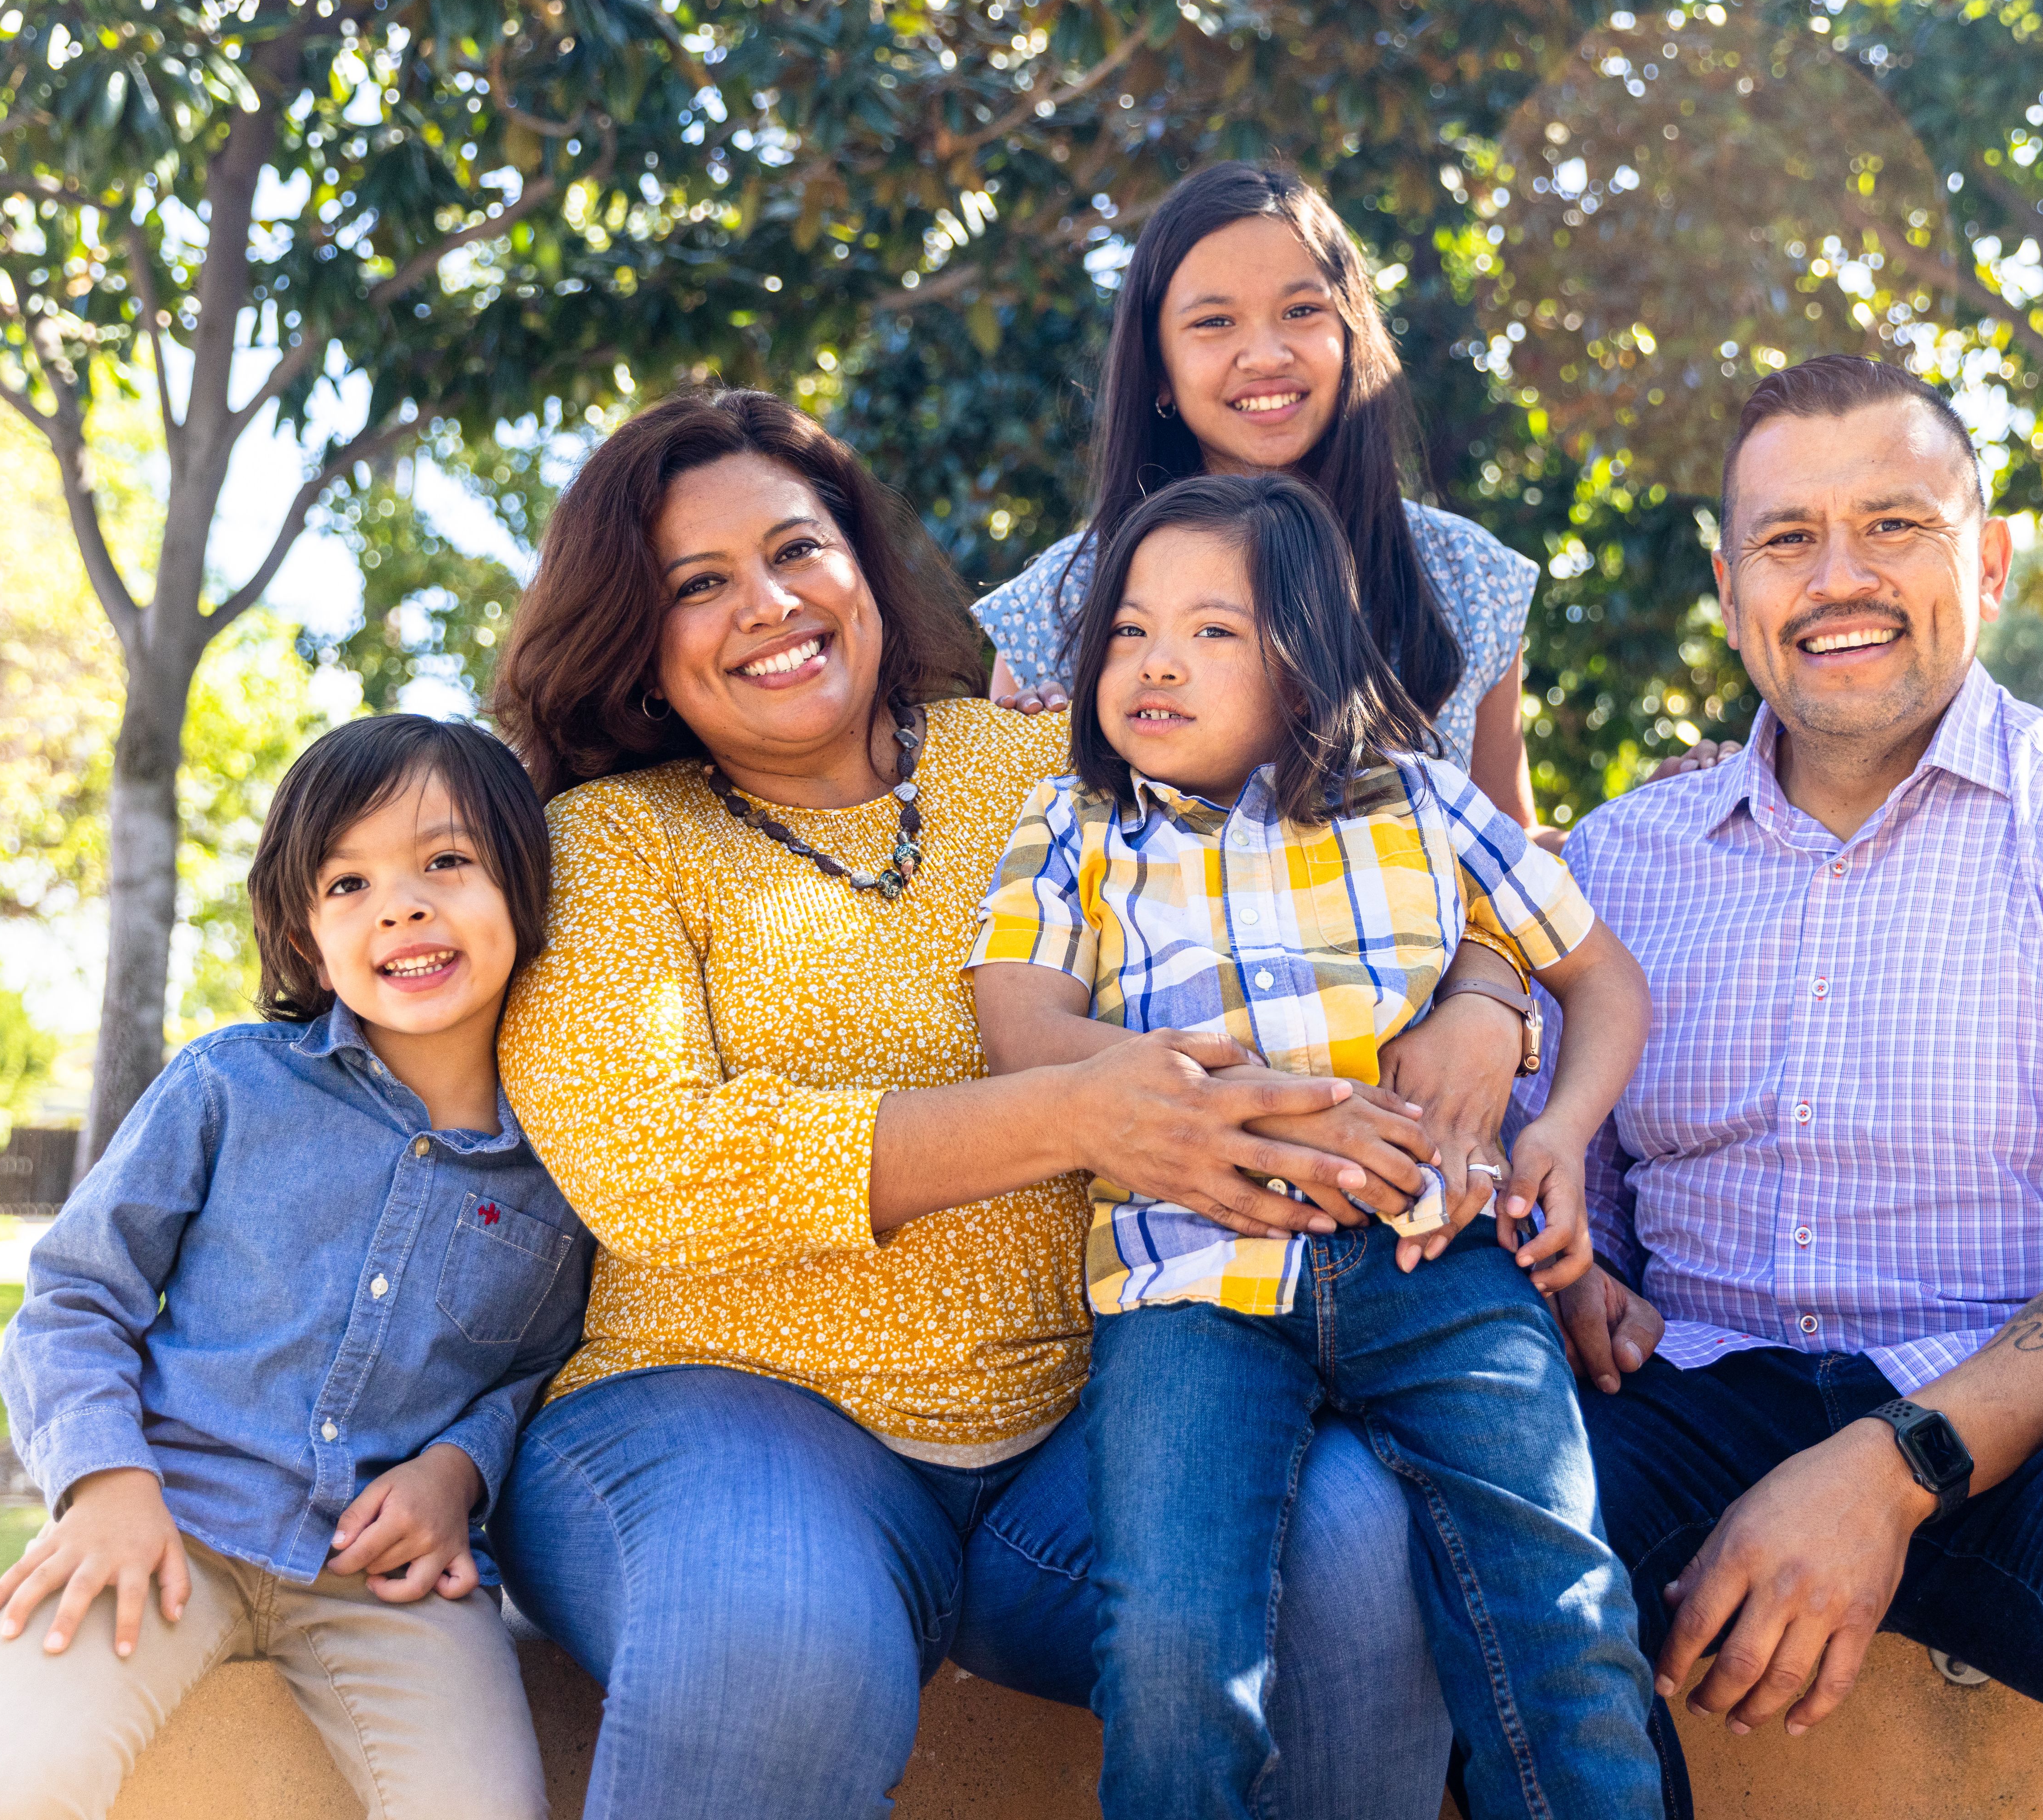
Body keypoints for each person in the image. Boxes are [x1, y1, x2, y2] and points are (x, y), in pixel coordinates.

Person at [486, 389, 1509, 1820]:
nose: (768, 605)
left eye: (797, 550)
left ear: (860, 560)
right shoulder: (605, 844)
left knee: (1342, 1550)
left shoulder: (1043, 764)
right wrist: (1081, 1115)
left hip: (1089, 1419)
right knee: (775, 1636)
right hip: (730, 1410)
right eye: (695, 585)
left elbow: (1358, 856)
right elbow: (655, 1163)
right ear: (634, 642)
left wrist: (1484, 993)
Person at [1530, 355, 2043, 1819]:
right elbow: (1558, 1206)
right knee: (1468, 1522)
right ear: (1729, 588)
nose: (1836, 576)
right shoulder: (1615, 867)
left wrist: (1887, 1465)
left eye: (1892, 526)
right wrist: (1562, 1273)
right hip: (1693, 1404)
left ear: (1987, 556)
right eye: (1788, 539)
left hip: (2036, 1439)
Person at [969, 473, 1661, 1819]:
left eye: (1214, 630)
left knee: (1561, 1611)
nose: (1156, 659)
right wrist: (1239, 1102)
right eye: (1127, 631)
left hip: (1441, 1262)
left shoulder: (1426, 805)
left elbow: (1601, 982)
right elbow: (1018, 1025)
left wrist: (1560, 1135)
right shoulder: (1073, 828)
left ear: (1307, 664)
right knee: (1175, 1648)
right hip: (1188, 1288)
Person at [0, 716, 591, 1820]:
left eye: (446, 860)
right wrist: (103, 1483)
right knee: (17, 1781)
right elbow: (75, 1297)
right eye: (348, 882)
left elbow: (544, 1369)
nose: (402, 904)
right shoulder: (226, 1088)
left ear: (525, 891)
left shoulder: (572, 1161)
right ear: (304, 934)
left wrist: (455, 1473)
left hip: (389, 1584)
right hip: (160, 1525)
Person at [974, 161, 1542, 828]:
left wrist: (1672, 808)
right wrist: (1024, 754)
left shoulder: (1464, 576)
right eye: (1215, 322)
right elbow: (1005, 871)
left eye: (1301, 311)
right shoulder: (1062, 603)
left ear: (1351, 335)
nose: (1266, 354)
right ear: (1158, 370)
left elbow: (1517, 843)